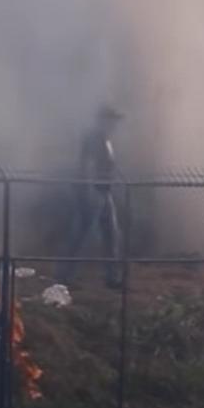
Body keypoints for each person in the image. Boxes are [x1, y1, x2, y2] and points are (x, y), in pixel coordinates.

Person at [56, 105, 124, 289]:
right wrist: (87, 190)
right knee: (82, 233)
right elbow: (87, 165)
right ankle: (65, 275)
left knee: (111, 234)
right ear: (103, 120)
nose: (115, 124)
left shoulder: (105, 139)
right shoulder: (94, 138)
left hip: (103, 191)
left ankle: (111, 276)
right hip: (93, 191)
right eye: (112, 120)